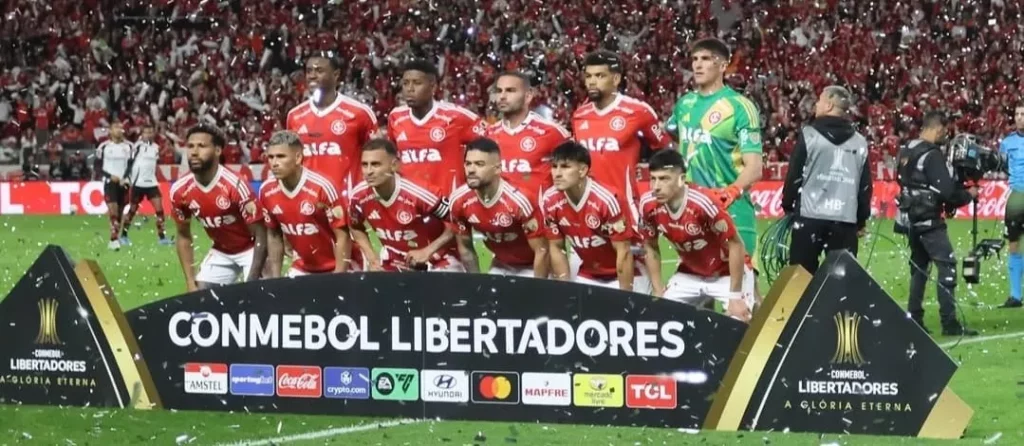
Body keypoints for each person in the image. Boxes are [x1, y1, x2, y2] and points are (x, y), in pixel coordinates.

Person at [671, 38, 764, 274]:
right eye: (694, 59)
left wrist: (729, 193)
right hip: (692, 211)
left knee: (741, 291)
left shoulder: (740, 107)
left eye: (706, 59)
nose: (698, 65)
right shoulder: (685, 104)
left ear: (723, 66)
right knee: (699, 287)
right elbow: (673, 137)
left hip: (731, 211)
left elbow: (754, 168)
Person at [639, 150, 753, 321]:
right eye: (653, 179)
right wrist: (657, 290)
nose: (656, 186)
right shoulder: (648, 205)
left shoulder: (703, 202)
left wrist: (735, 296)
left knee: (738, 322)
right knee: (658, 319)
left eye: (664, 179)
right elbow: (650, 245)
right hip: (689, 273)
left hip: (725, 274)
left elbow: (736, 245)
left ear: (681, 179)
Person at [895, 111, 978, 336]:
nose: (945, 135)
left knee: (919, 269)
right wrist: (968, 194)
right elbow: (947, 190)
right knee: (947, 265)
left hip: (910, 218)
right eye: (944, 130)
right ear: (936, 128)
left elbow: (900, 179)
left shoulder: (907, 148)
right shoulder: (931, 155)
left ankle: (914, 317)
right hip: (929, 219)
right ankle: (949, 322)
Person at [781, 86, 872, 275]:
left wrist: (789, 205)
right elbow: (864, 187)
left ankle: (805, 306)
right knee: (841, 284)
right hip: (844, 221)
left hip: (809, 217)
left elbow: (794, 176)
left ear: (829, 105)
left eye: (820, 100)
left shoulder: (809, 135)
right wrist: (861, 219)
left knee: (800, 279)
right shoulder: (859, 142)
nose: (816, 104)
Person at [542, 141, 651, 292]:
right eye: (554, 166)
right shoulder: (549, 200)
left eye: (565, 167)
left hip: (630, 273)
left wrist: (626, 298)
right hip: (589, 273)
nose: (557, 173)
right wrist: (565, 291)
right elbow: (556, 247)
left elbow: (624, 252)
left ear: (582, 170)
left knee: (619, 314)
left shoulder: (607, 199)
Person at [169, 124, 267, 292]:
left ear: (217, 150)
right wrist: (190, 281)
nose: (194, 152)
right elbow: (183, 236)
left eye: (202, 146)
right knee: (199, 296)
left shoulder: (235, 185)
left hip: (252, 249)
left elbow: (261, 235)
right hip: (222, 252)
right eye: (190, 146)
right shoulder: (180, 190)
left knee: (262, 297)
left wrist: (252, 279)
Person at [572, 50, 671, 215]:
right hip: (588, 206)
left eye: (600, 76)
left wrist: (652, 169)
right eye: (588, 76)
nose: (592, 82)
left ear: (616, 79)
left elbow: (665, 147)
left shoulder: (638, 111)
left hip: (625, 206)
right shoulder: (580, 115)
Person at [349, 138, 463, 272]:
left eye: (375, 164)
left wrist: (428, 251)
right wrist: (372, 257)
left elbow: (459, 222)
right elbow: (355, 226)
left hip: (438, 260)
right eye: (364, 164)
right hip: (393, 261)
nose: (368, 171)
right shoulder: (358, 196)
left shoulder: (421, 193)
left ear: (394, 165)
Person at [450, 138, 549, 277]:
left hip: (532, 266)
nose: (471, 170)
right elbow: (466, 248)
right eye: (468, 164)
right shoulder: (459, 200)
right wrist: (476, 282)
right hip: (500, 264)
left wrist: (538, 289)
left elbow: (542, 250)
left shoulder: (519, 201)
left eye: (479, 164)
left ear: (497, 169)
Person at [259, 131, 353, 277]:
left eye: (281, 156)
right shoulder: (266, 190)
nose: (274, 163)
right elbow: (274, 234)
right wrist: (275, 278)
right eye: (271, 157)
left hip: (338, 266)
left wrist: (339, 276)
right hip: (302, 268)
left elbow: (343, 236)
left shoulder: (322, 187)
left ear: (298, 158)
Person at [388, 59, 486, 195]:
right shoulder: (396, 117)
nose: (410, 89)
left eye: (417, 83)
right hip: (408, 204)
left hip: (447, 205)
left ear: (433, 87)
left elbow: (492, 142)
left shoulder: (457, 117)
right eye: (405, 83)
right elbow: (393, 157)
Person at [287, 52, 378, 193]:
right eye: (309, 71)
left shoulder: (360, 113)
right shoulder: (295, 116)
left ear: (336, 75)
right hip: (308, 203)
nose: (312, 76)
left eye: (319, 71)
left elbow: (378, 159)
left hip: (346, 203)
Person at [486, 71, 570, 203]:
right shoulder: (487, 135)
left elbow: (576, 176)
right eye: (499, 91)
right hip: (499, 219)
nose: (502, 96)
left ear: (528, 96)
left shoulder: (552, 133)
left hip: (539, 220)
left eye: (510, 91)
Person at [121, 123, 171, 245]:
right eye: (146, 132)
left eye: (150, 132)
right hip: (138, 184)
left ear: (153, 133)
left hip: (152, 184)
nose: (148, 135)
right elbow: (129, 162)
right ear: (142, 134)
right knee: (132, 211)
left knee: (160, 210)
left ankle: (162, 238)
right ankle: (123, 236)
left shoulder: (156, 147)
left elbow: (154, 164)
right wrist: (125, 177)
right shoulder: (137, 147)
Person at [998, 102, 1024, 308]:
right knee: (1014, 246)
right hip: (1016, 198)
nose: (1020, 117)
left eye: (1023, 114)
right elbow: (1003, 165)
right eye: (1017, 114)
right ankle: (1015, 295)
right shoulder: (1007, 143)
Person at [95, 119, 133, 250]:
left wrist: (125, 177)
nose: (119, 130)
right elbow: (97, 166)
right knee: (113, 210)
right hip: (109, 182)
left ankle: (116, 236)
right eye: (116, 127)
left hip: (124, 183)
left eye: (121, 127)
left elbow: (131, 165)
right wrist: (110, 176)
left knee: (121, 212)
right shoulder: (104, 147)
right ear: (110, 131)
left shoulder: (129, 147)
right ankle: (113, 239)